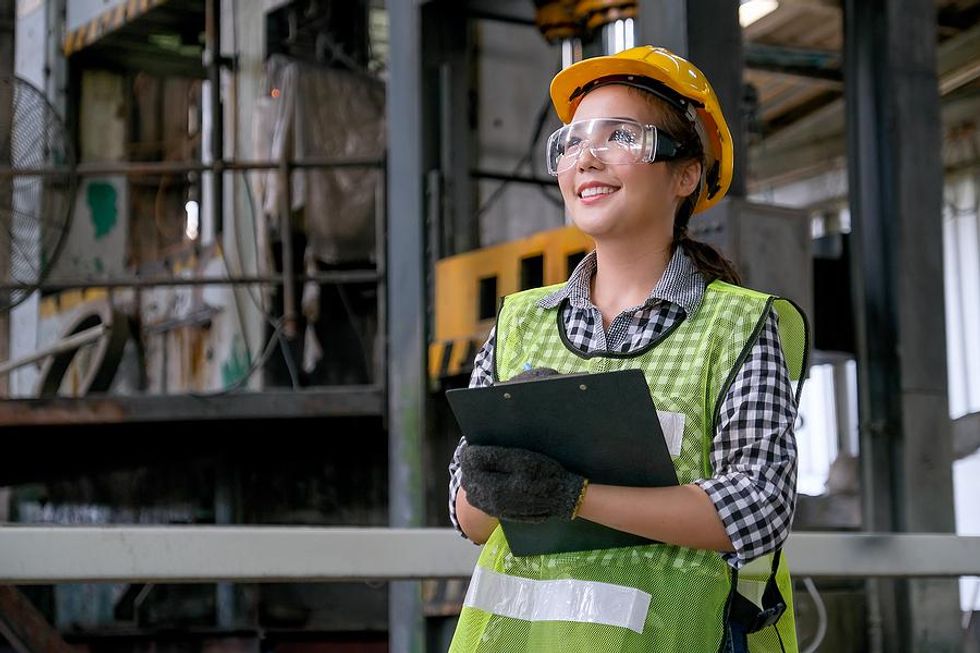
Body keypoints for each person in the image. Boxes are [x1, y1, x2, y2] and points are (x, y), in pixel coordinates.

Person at [447, 45, 809, 653]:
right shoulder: (519, 323)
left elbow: (759, 506)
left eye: (620, 136)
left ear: (685, 174)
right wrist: (495, 479)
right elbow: (471, 518)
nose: (586, 156)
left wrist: (574, 495)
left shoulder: (737, 324)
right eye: (572, 142)